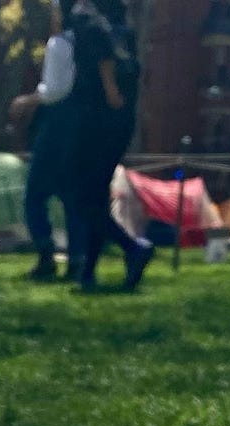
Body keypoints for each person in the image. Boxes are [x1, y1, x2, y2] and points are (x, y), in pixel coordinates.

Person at [67, 0, 151, 292]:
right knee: (97, 198)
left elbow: (103, 56)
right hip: (120, 123)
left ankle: (133, 247)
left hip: (96, 119)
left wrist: (109, 87)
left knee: (78, 197)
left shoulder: (84, 16)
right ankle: (88, 273)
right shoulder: (121, 26)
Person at [10, 0, 79, 282]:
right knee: (70, 195)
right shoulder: (84, 43)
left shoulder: (59, 44)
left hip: (56, 126)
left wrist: (29, 100)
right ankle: (77, 258)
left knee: (35, 195)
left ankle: (46, 256)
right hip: (79, 127)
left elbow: (55, 91)